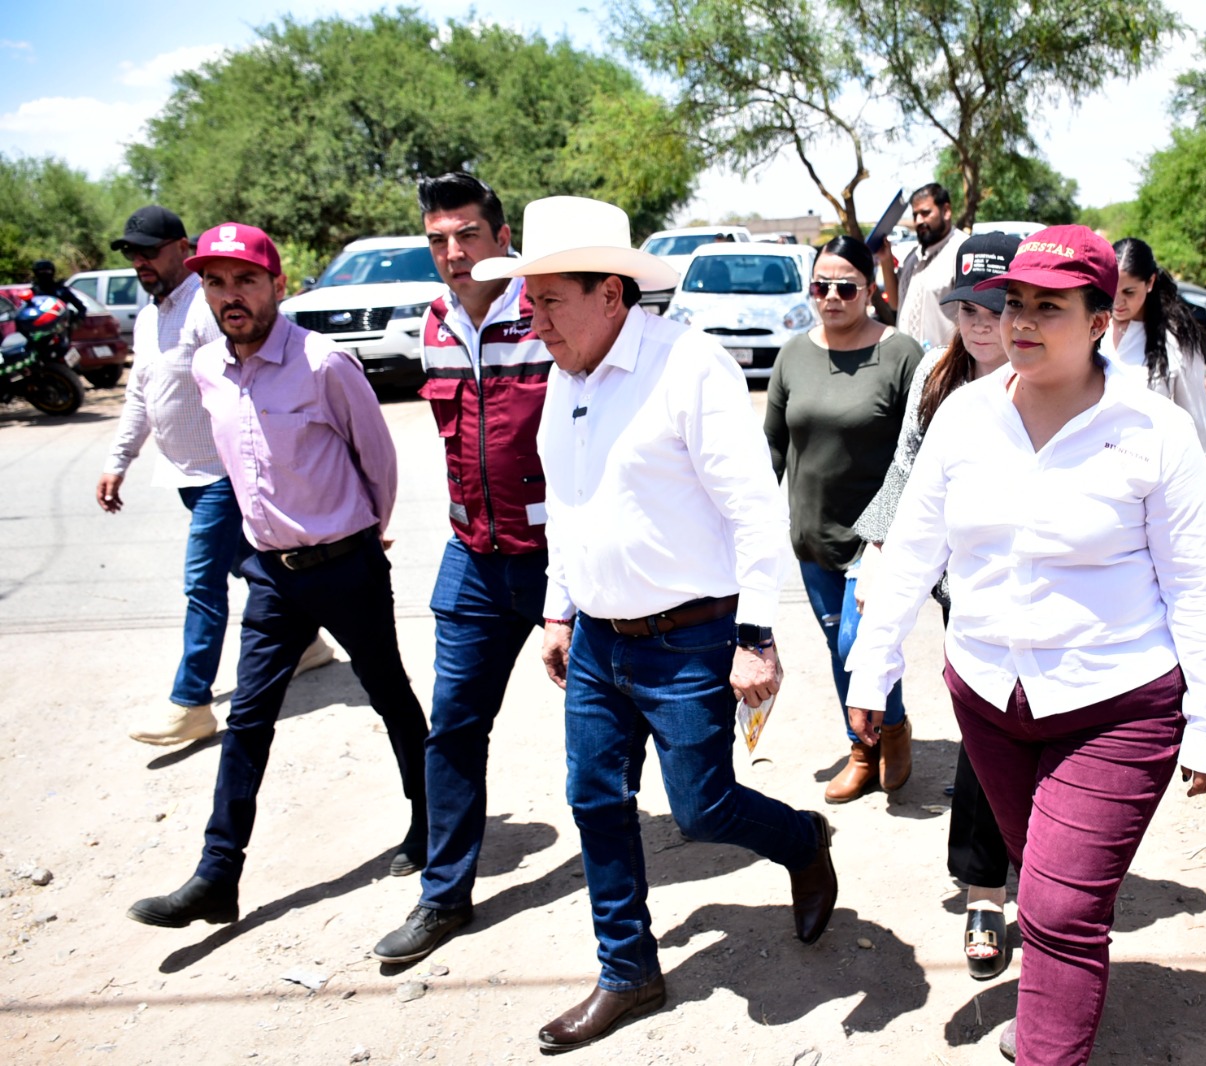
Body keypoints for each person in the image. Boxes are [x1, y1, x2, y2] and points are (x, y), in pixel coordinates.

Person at [847, 225, 1206, 1064]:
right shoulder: (966, 415)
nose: (1021, 323)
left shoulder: (1152, 430)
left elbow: (1199, 586)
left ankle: (1045, 1047)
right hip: (989, 698)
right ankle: (1056, 1010)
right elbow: (915, 549)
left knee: (1060, 909)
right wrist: (872, 666)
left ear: (1101, 319)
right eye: (1014, 304)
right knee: (1048, 882)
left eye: (1048, 308)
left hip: (1118, 706)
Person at [472, 196, 839, 1052]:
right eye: (528, 302)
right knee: (595, 800)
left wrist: (756, 636)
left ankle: (800, 840)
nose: (536, 320)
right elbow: (568, 506)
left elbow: (753, 511)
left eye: (549, 300)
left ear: (611, 294)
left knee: (703, 809)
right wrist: (560, 611)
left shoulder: (690, 366)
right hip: (599, 641)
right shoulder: (564, 378)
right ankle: (627, 969)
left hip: (692, 638)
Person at [125, 223, 429, 929]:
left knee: (389, 693)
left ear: (278, 285)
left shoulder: (324, 364)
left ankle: (430, 825)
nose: (231, 297)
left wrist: (365, 531)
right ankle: (216, 875)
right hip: (271, 576)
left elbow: (376, 459)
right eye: (215, 283)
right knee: (248, 721)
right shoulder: (209, 370)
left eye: (245, 281)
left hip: (347, 563)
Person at [371, 173, 556, 962]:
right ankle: (444, 896)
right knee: (452, 731)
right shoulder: (436, 322)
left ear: (502, 237)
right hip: (473, 561)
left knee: (615, 736)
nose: (453, 254)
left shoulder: (545, 310)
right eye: (439, 240)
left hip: (559, 564)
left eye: (467, 236)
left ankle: (689, 838)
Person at [848, 230, 1020, 980]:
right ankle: (985, 891)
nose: (979, 324)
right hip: (965, 590)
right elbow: (906, 475)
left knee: (1047, 738)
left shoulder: (1062, 378)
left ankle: (1056, 876)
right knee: (986, 734)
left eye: (996, 306)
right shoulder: (937, 381)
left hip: (1061, 599)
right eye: (965, 308)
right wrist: (876, 556)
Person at [99, 206, 331, 748]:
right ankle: (308, 643)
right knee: (252, 568)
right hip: (185, 473)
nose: (139, 262)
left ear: (181, 249)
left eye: (149, 251)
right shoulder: (152, 316)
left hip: (224, 475)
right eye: (132, 253)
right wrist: (118, 460)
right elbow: (140, 393)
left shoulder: (206, 310)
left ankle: (192, 702)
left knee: (202, 584)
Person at [764, 235, 923, 803]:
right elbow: (773, 447)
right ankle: (865, 747)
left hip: (876, 539)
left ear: (869, 289)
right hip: (812, 536)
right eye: (820, 286)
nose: (831, 297)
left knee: (860, 641)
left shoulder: (902, 354)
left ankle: (892, 729)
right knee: (839, 645)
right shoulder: (793, 354)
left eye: (845, 287)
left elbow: (919, 450)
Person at [1108, 237, 1206, 488]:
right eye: (1112, 290)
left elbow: (1196, 415)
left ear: (1150, 283)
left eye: (1128, 292)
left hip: (1154, 478)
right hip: (1099, 475)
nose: (1117, 303)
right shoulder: (1093, 329)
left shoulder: (1175, 339)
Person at [877, 183, 969, 348]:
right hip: (910, 364)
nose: (919, 221)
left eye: (925, 213)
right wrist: (886, 260)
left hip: (947, 367)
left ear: (946, 211)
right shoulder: (913, 257)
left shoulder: (964, 252)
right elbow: (895, 303)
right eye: (915, 215)